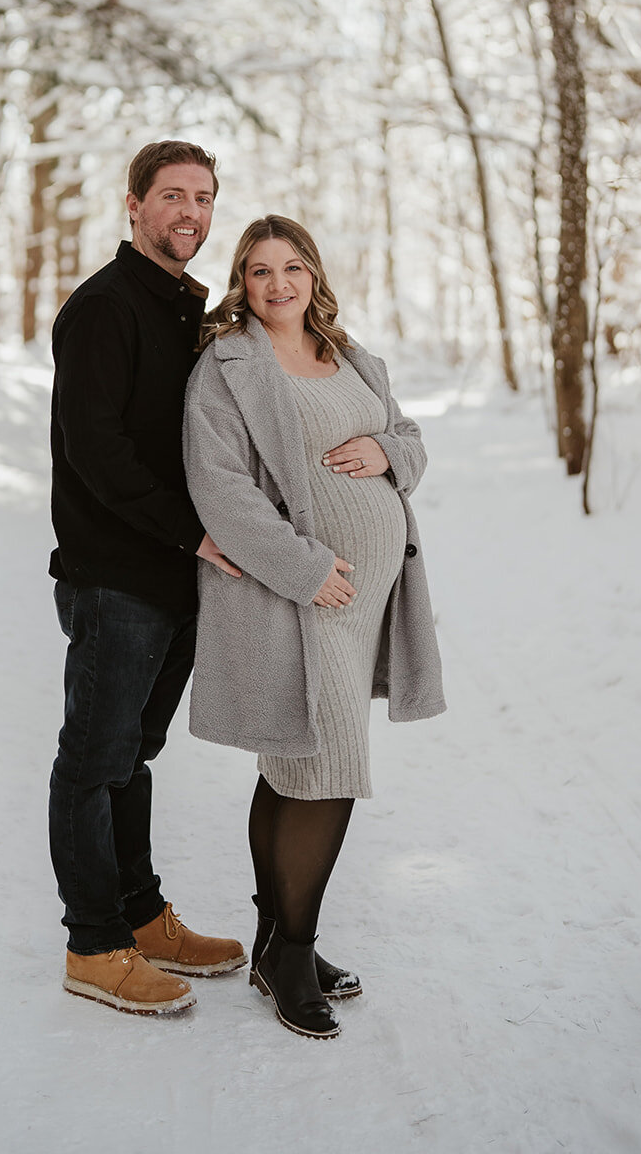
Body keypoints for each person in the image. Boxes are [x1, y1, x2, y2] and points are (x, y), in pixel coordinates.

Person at [183, 215, 446, 1040]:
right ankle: (291, 951)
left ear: (313, 275)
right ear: (242, 281)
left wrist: (386, 450)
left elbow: (409, 439)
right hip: (294, 596)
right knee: (323, 764)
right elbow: (218, 486)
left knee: (297, 761)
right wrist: (305, 569)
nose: (277, 285)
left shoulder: (351, 356)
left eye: (291, 267)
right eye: (259, 271)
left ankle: (276, 943)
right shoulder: (225, 366)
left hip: (365, 597)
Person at [48, 140, 247, 1016]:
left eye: (203, 198)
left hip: (175, 578)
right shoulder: (104, 307)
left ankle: (141, 915)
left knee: (134, 757)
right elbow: (96, 451)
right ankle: (93, 945)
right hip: (117, 577)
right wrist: (193, 532)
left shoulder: (184, 309)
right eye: (172, 196)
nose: (190, 214)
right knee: (92, 763)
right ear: (132, 205)